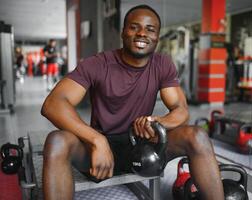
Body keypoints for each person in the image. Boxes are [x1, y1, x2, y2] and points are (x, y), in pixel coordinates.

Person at [41, 4, 224, 200]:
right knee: (56, 140)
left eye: (150, 29)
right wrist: (97, 140)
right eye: (134, 27)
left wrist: (158, 124)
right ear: (123, 32)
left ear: (157, 37)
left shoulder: (162, 64)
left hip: (142, 146)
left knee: (197, 136)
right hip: (98, 149)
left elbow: (181, 110)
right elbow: (53, 103)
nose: (142, 34)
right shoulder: (98, 64)